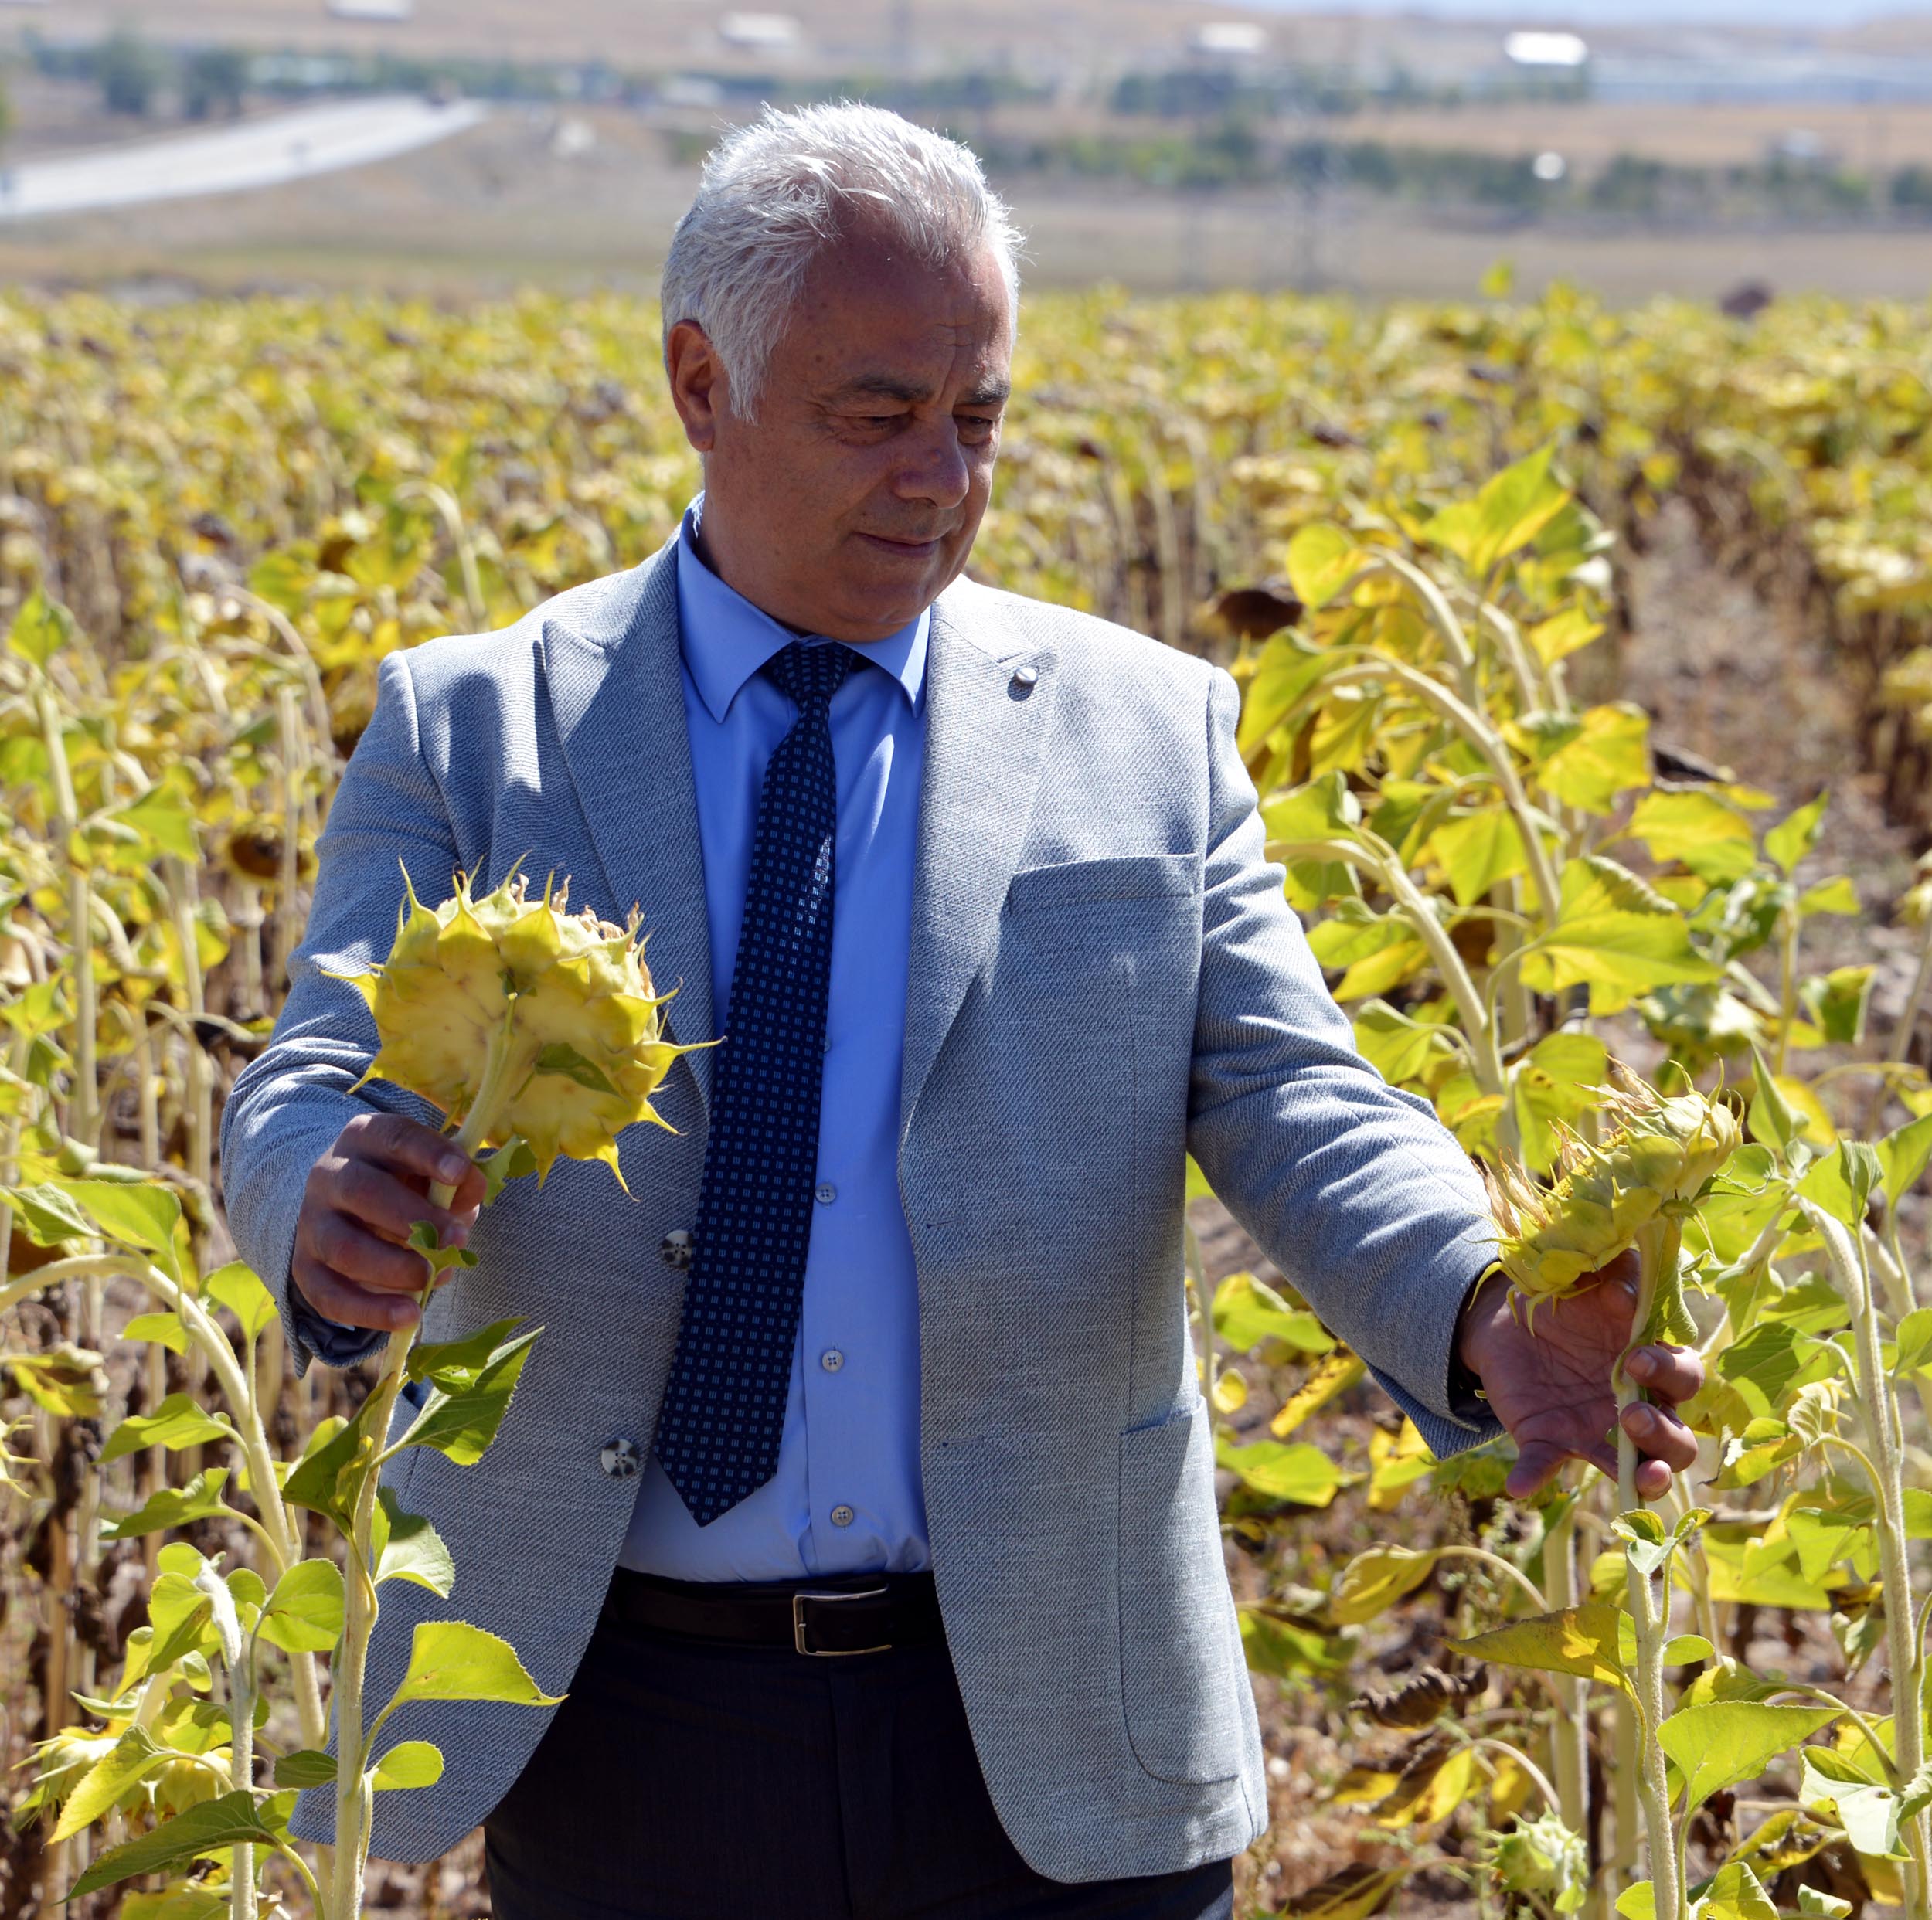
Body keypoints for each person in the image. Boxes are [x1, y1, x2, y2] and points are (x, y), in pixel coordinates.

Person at [221, 101, 1702, 1920]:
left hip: (1053, 1702)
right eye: (877, 416)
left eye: (976, 416)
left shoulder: (1145, 732)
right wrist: (322, 1202)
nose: (939, 477)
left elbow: (1294, 1097)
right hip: (620, 1712)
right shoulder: (475, 728)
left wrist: (1479, 1302)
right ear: (699, 384)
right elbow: (308, 1078)